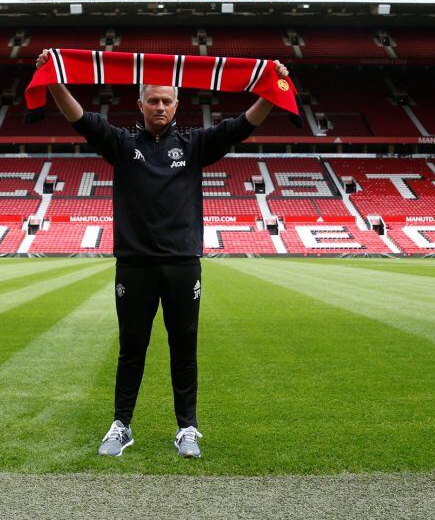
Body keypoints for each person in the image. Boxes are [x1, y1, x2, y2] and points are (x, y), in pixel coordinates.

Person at [34, 49, 290, 459]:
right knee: (131, 347)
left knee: (183, 347)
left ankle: (187, 428)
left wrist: (273, 88)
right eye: (152, 100)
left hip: (181, 265)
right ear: (140, 104)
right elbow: (79, 118)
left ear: (176, 104)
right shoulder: (121, 143)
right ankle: (122, 425)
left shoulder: (194, 144)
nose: (159, 107)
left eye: (166, 100)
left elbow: (242, 126)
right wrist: (52, 80)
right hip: (134, 266)